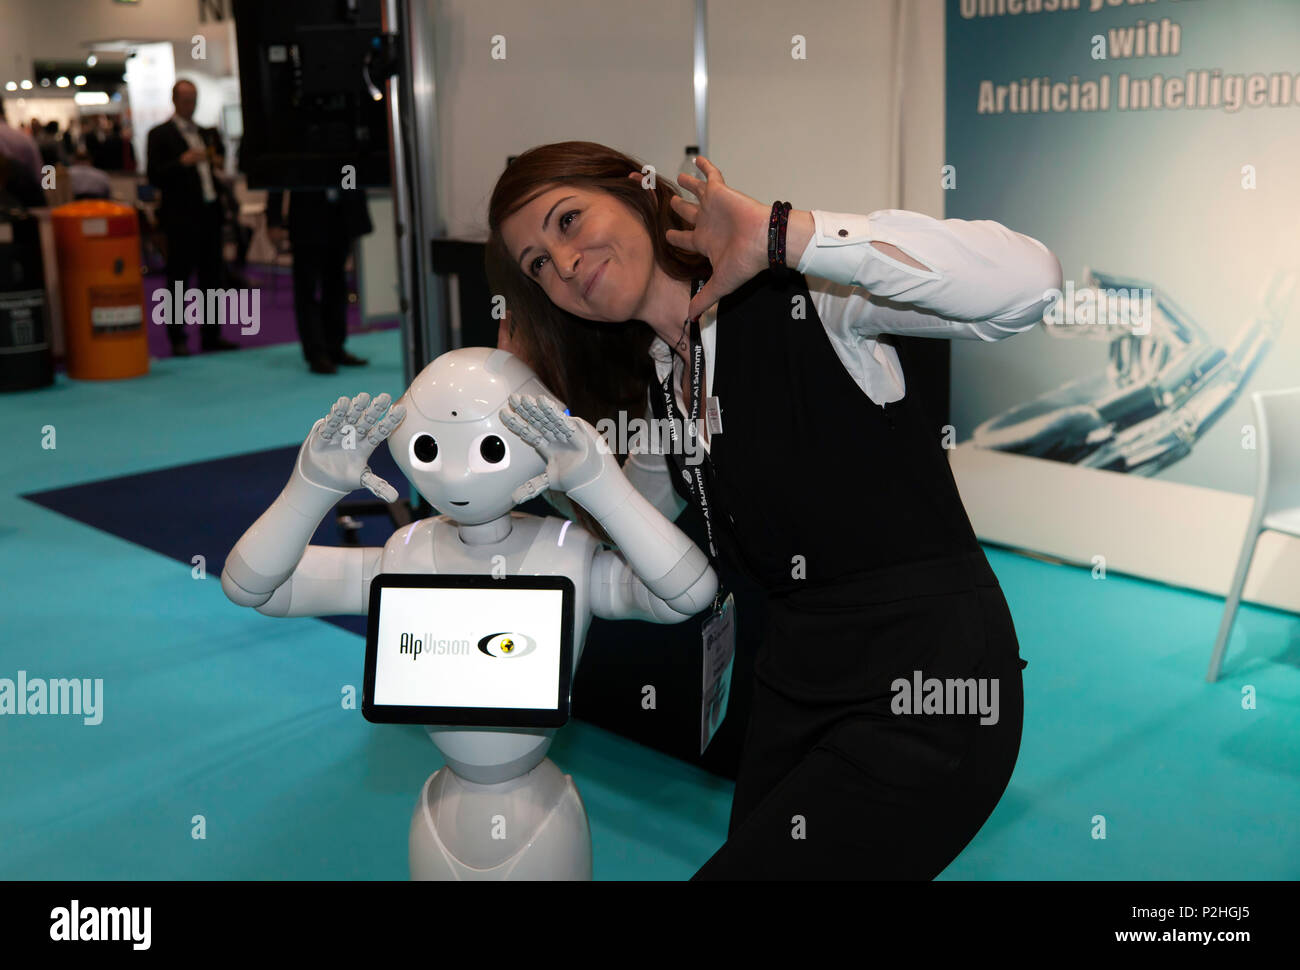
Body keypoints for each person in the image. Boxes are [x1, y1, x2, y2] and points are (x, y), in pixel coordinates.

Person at [487, 141, 1061, 880]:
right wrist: (537, 429)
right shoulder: (666, 384)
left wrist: (789, 234)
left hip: (928, 687)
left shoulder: (811, 296)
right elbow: (627, 531)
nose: (562, 265)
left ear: (637, 191)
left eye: (567, 221)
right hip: (793, 689)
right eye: (537, 264)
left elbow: (1032, 284)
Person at [146, 80, 238, 356]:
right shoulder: (159, 134)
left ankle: (212, 334)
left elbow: (215, 168)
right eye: (187, 99)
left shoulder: (205, 133)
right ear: (175, 100)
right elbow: (153, 175)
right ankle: (177, 337)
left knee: (212, 276)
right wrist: (181, 162)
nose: (191, 104)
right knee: (178, 279)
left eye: (194, 99)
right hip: (180, 217)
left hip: (209, 213)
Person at [265, 187, 373, 374]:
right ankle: (316, 352)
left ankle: (335, 346)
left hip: (340, 215)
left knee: (337, 285)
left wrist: (358, 213)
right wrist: (274, 219)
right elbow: (279, 173)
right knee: (307, 288)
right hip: (306, 217)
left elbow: (353, 167)